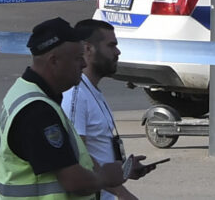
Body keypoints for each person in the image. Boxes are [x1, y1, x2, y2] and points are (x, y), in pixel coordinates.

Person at [0, 19, 100, 200]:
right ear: (54, 61)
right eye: (78, 58)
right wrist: (108, 177)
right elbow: (74, 182)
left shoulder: (23, 92)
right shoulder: (37, 111)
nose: (84, 65)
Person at [62, 20, 154, 200]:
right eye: (111, 46)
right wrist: (122, 193)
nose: (117, 52)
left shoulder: (91, 90)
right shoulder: (75, 94)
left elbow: (97, 149)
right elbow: (78, 155)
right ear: (88, 49)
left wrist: (124, 169)